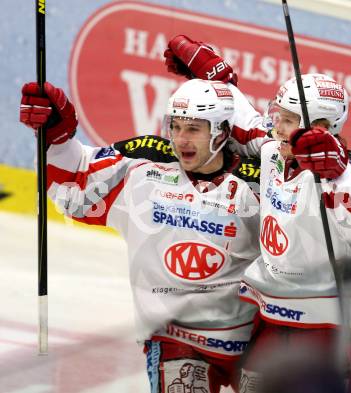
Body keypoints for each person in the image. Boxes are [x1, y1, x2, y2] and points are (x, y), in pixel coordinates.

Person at [163, 36, 351, 392]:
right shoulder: (274, 151)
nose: (277, 126)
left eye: (288, 120)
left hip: (327, 328)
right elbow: (246, 121)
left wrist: (335, 168)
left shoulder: (349, 171)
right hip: (271, 318)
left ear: (321, 127)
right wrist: (215, 78)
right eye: (279, 116)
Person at [20, 78, 263, 393]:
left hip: (254, 344)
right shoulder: (144, 165)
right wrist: (56, 137)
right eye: (175, 126)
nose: (181, 139)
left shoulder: (257, 183)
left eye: (194, 129)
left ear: (222, 132)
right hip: (175, 338)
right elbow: (75, 186)